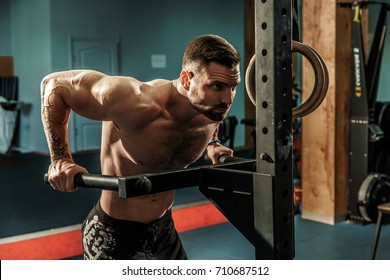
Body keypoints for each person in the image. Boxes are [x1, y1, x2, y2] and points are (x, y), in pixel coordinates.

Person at [41, 34, 241, 260]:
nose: (228, 98)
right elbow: (53, 85)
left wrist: (213, 144)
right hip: (114, 234)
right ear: (186, 79)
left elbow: (214, 120)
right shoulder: (134, 101)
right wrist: (60, 158)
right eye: (217, 86)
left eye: (233, 87)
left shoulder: (210, 107)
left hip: (164, 231)